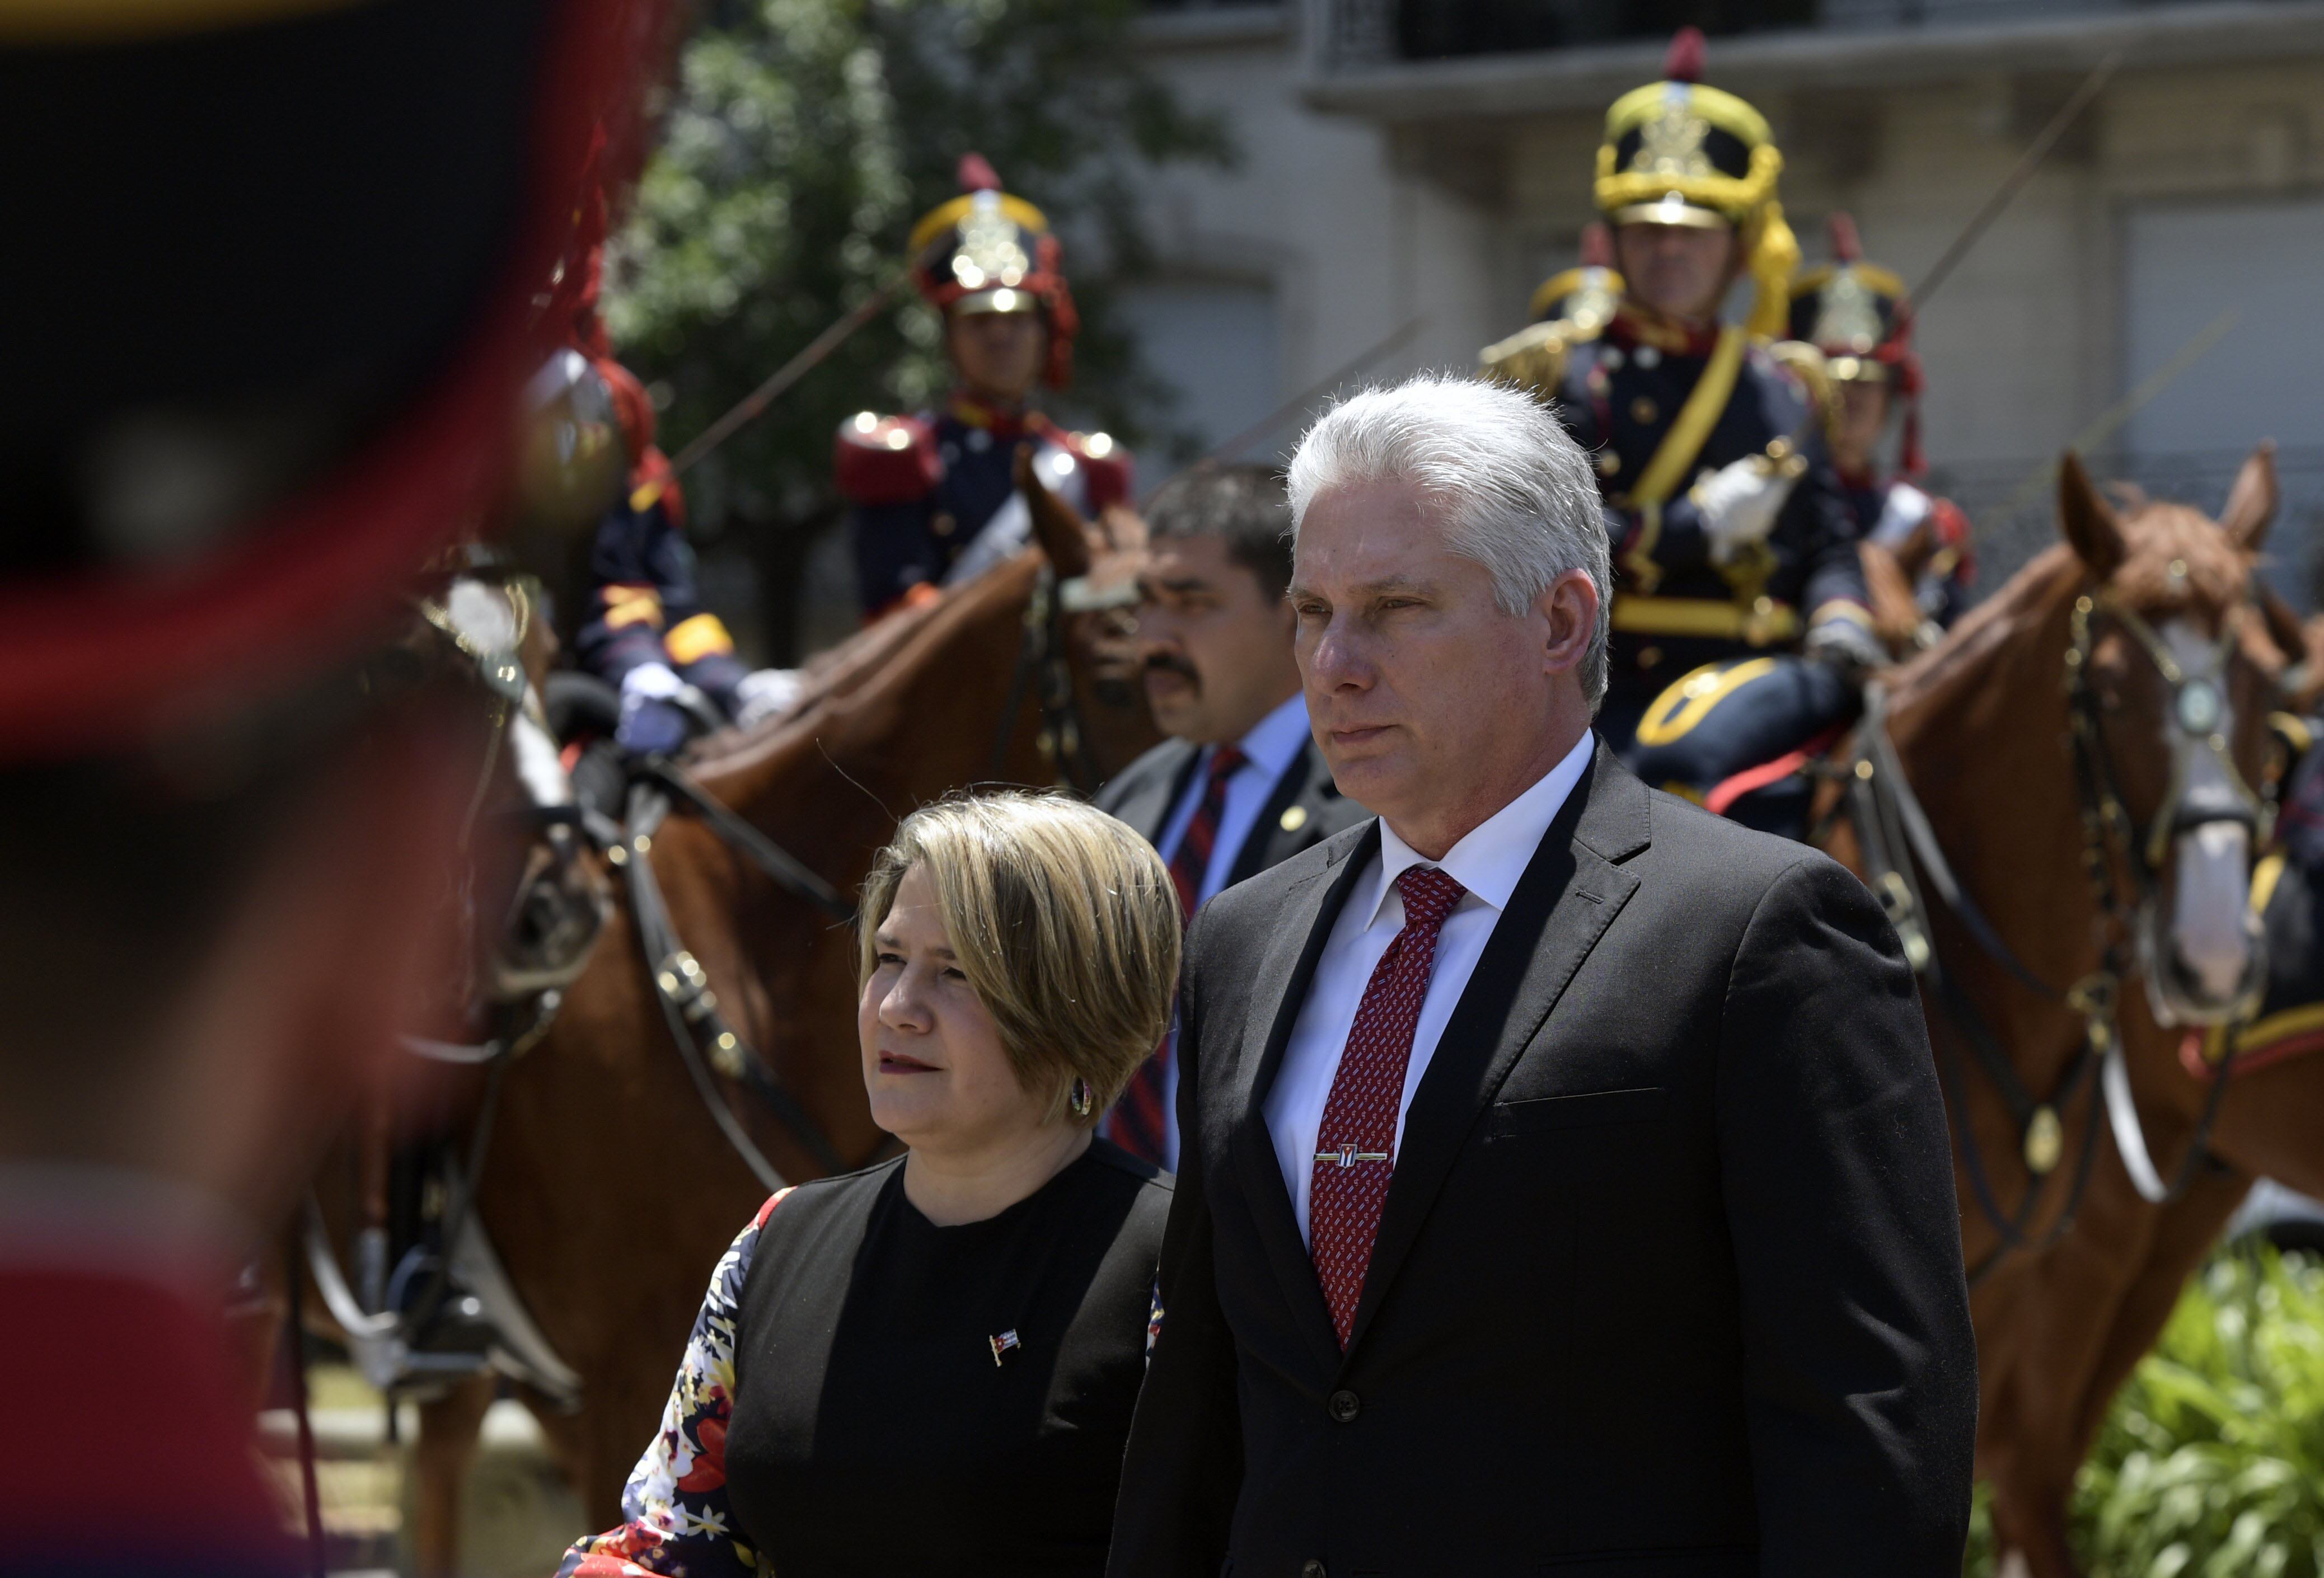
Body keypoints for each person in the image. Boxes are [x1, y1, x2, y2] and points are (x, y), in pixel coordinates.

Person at [0, 1, 671, 1572]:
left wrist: (641, 660)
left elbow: (627, 567)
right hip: (362, 669)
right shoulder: (478, 377)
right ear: (385, 913)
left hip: (470, 664)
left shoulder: (591, 404)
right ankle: (420, 1246)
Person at [1108, 373, 1976, 1576]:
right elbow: (1201, 1405)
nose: (1335, 664)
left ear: (1562, 623)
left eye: (1398, 607)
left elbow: (1868, 1425)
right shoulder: (1242, 940)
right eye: (1313, 611)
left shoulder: (1760, 934)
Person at [561, 790, 1182, 1578]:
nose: (897, 1008)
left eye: (956, 973)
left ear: (1081, 1007)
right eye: (889, 959)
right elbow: (672, 1546)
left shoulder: (1176, 1266)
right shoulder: (778, 1239)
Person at [1479, 28, 1878, 835]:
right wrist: (1696, 528)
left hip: (1775, 672)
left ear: (1738, 244)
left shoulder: (1784, 385)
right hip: (1618, 682)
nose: (1669, 249)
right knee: (1677, 773)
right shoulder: (1564, 375)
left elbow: (1832, 542)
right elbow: (1544, 546)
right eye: (1646, 228)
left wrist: (1841, 614)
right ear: (1617, 239)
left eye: (1694, 230)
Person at [1095, 465, 1369, 1168]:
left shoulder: (1370, 809)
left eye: (1190, 603)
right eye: (1145, 603)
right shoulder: (1125, 804)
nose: (1150, 638)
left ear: (1294, 612)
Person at [838, 154, 1133, 619]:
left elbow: (1112, 600)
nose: (1000, 337)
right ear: (950, 339)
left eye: (1016, 321)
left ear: (1044, 333)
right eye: (979, 322)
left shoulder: (1085, 468)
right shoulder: (908, 456)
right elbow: (891, 607)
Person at [1789, 213, 1975, 653]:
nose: (1849, 400)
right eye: (1831, 384)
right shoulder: (1774, 508)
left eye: (1866, 384)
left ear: (1893, 400)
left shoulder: (1930, 523)